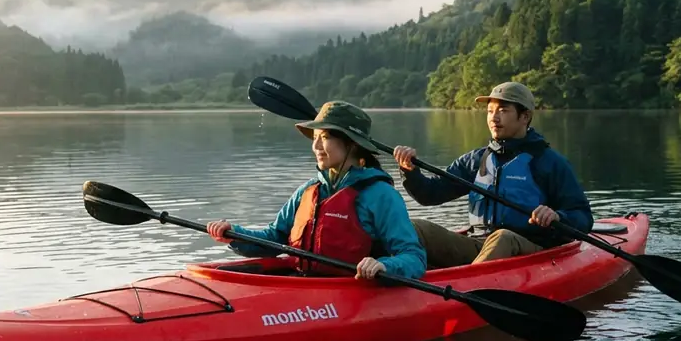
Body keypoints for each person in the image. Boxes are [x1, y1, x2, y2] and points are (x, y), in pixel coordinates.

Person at [206, 101, 427, 280]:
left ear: (351, 143)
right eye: (315, 138)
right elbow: (273, 238)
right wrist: (233, 234)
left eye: (325, 138)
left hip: (353, 290)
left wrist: (383, 265)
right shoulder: (308, 191)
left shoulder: (381, 195)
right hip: (304, 285)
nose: (317, 147)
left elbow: (414, 257)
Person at [391, 81, 592, 268]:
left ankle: (466, 288)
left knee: (503, 237)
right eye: (490, 111)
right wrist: (409, 170)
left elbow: (582, 216)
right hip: (479, 245)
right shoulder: (474, 161)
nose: (494, 118)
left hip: (529, 249)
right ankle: (390, 272)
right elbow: (430, 194)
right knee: (415, 228)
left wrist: (558, 216)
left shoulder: (549, 162)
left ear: (525, 117)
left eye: (503, 111)